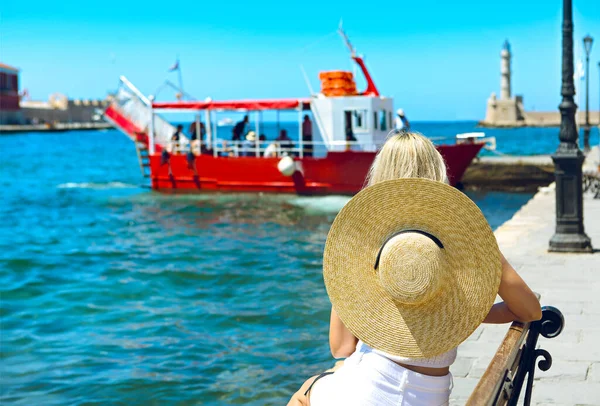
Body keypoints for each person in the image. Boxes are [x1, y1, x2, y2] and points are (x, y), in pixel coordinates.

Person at [287, 131, 542, 406]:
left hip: (374, 389)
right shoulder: (463, 246)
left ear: (380, 175)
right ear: (438, 171)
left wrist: (346, 266)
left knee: (305, 393)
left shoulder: (371, 246)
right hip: (430, 394)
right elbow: (529, 310)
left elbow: (341, 348)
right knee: (325, 379)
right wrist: (454, 311)